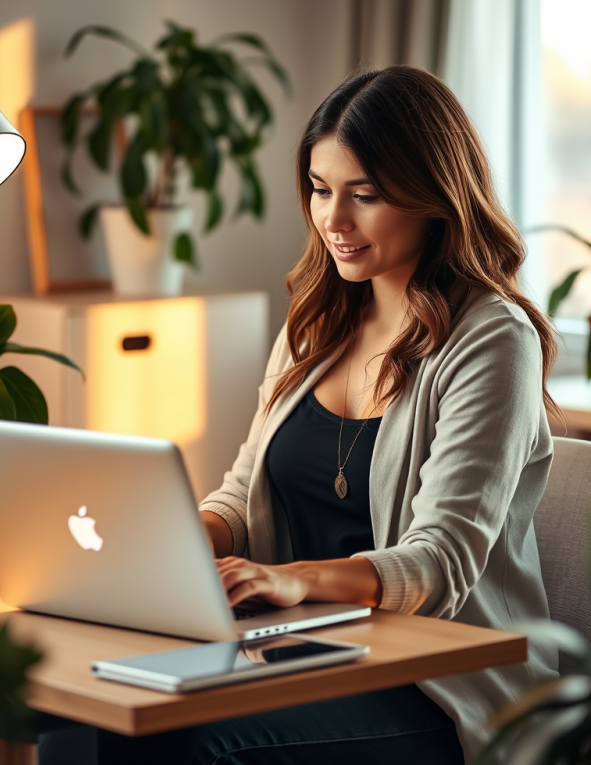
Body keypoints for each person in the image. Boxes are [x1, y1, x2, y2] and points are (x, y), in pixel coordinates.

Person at [93, 65, 559, 764]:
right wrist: (183, 539)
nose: (333, 221)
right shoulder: (317, 323)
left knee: (184, 735)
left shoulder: (492, 339)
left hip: (438, 686)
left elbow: (442, 561)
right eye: (319, 190)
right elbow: (243, 492)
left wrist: (294, 578)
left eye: (364, 196)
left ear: (433, 194)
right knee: (121, 708)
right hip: (302, 648)